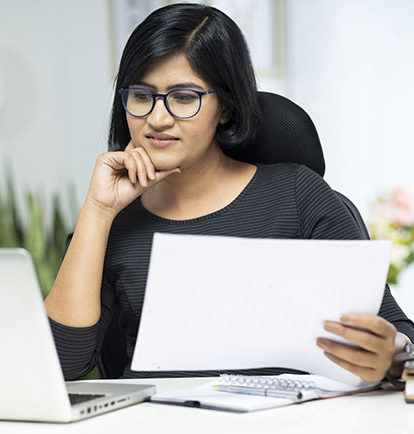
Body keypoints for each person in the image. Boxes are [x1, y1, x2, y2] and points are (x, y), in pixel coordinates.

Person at [44, 3, 414, 382]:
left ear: (225, 107)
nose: (157, 118)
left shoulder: (297, 195)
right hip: (154, 412)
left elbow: (399, 334)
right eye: (141, 95)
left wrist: (393, 354)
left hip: (289, 410)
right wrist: (98, 211)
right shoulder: (111, 221)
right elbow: (62, 365)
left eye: (184, 97)